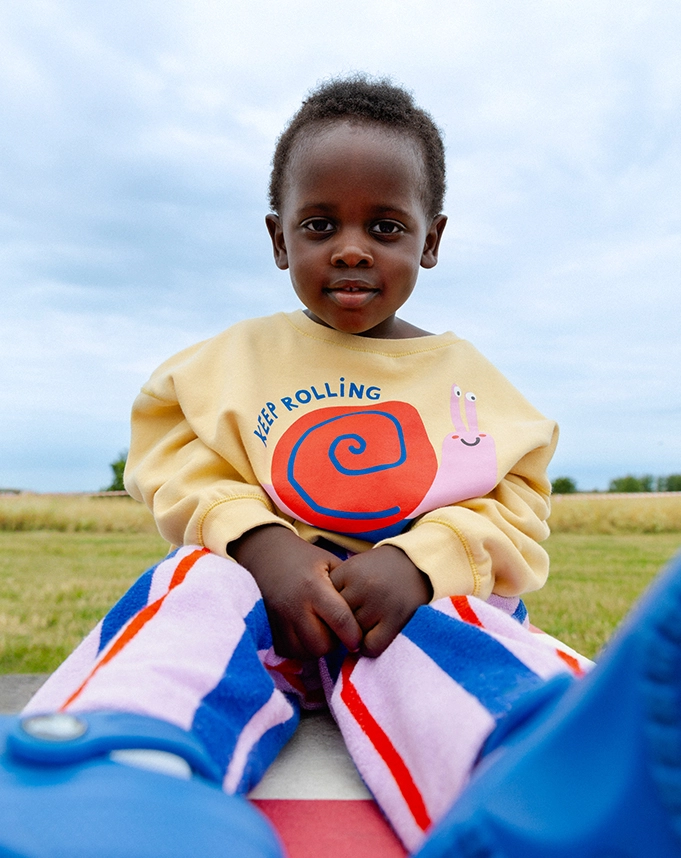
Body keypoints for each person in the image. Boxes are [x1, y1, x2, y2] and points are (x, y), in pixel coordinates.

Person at [2, 75, 680, 858]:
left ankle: (549, 782)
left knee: (463, 634)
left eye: (385, 226)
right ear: (278, 238)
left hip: (402, 620)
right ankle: (119, 772)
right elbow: (176, 460)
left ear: (430, 238)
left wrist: (419, 564)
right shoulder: (228, 361)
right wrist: (261, 545)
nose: (351, 247)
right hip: (260, 610)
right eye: (320, 224)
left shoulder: (471, 381)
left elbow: (514, 507)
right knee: (190, 585)